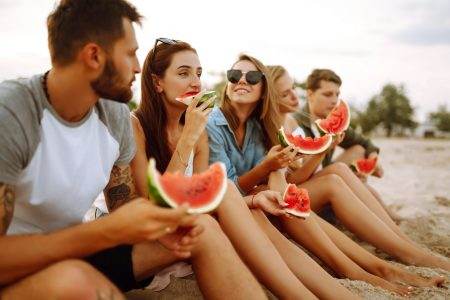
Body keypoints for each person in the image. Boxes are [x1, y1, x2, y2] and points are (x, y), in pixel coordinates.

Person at [0, 1, 266, 299]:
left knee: (201, 228)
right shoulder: (12, 113)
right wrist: (102, 233)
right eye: (130, 53)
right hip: (17, 269)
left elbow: (126, 208)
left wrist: (157, 226)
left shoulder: (113, 116)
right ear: (94, 55)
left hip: (78, 250)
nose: (139, 66)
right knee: (73, 280)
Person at [130, 38, 358, 299]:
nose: (196, 82)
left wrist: (253, 199)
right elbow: (153, 203)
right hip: (153, 231)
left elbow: (206, 197)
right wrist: (189, 136)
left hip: (193, 217)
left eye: (199, 73)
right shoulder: (137, 125)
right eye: (184, 73)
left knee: (252, 208)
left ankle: (333, 293)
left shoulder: (201, 126)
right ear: (157, 81)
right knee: (233, 191)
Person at [206, 54, 447, 294]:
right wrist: (269, 170)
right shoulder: (213, 125)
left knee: (302, 195)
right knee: (319, 185)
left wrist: (280, 181)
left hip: (264, 200)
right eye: (234, 75)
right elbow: (227, 191)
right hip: (238, 207)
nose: (241, 81)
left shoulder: (262, 126)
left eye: (252, 77)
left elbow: (280, 178)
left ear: (263, 89)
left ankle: (383, 264)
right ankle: (369, 268)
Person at [292, 68, 403, 222]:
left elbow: (364, 143)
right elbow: (295, 174)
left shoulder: (332, 122)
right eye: (327, 94)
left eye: (337, 94)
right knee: (343, 175)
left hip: (327, 177)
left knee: (358, 150)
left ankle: (390, 218)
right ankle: (389, 219)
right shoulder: (294, 122)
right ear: (310, 94)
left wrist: (372, 160)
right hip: (306, 189)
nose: (334, 100)